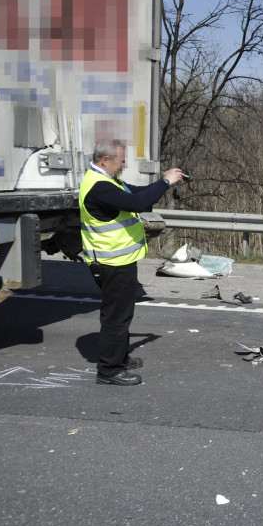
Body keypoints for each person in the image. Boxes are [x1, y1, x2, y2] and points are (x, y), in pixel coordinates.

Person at [80, 139, 185, 385]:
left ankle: (120, 358)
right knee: (116, 317)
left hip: (119, 260)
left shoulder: (106, 181)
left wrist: (164, 183)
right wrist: (165, 181)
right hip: (111, 262)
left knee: (122, 314)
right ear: (105, 160)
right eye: (121, 160)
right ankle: (109, 370)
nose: (124, 164)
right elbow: (137, 204)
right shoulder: (98, 187)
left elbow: (138, 195)